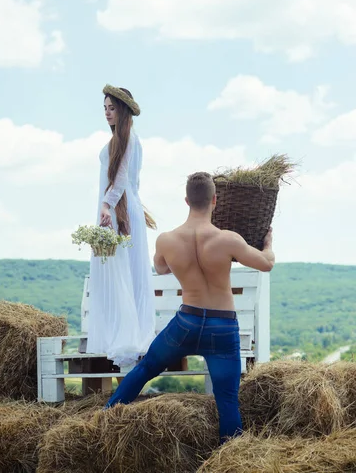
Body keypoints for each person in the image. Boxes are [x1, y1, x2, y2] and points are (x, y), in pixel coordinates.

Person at [104, 171, 275, 443]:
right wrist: (268, 244)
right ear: (214, 200)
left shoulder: (167, 240)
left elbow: (160, 267)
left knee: (146, 368)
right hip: (222, 327)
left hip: (186, 324)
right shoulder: (229, 239)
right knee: (227, 398)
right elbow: (267, 264)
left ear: (186, 200)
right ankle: (230, 456)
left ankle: (103, 419)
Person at [82, 85, 156, 368]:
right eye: (104, 108)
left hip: (118, 209)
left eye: (112, 108)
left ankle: (128, 336)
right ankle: (117, 333)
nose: (107, 113)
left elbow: (123, 177)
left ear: (123, 110)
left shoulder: (129, 139)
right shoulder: (119, 140)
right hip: (114, 208)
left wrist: (107, 204)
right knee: (115, 269)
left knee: (125, 270)